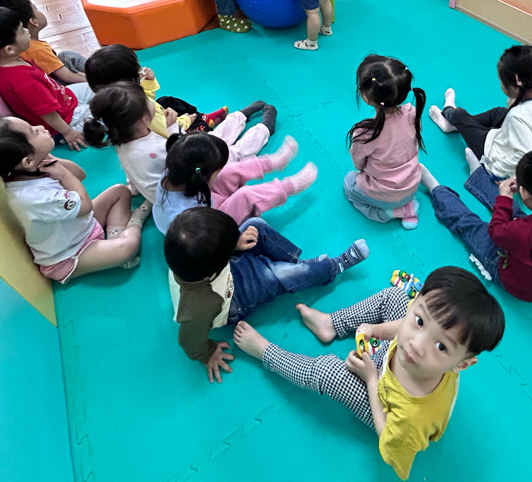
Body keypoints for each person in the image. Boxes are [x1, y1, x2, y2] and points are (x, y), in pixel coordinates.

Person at [232, 266, 505, 480]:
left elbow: (388, 441)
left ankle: (265, 352)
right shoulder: (417, 342)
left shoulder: (414, 419)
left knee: (328, 371)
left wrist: (371, 379)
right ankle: (331, 323)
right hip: (390, 365)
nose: (416, 344)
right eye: (421, 320)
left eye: (441, 346)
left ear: (462, 365)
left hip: (386, 405)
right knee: (395, 296)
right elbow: (405, 326)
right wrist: (376, 330)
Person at [165, 207, 369, 383]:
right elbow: (188, 340)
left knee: (255, 226)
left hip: (223, 275)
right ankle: (333, 267)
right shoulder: (200, 306)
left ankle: (299, 265)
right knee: (275, 276)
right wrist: (207, 353)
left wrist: (235, 243)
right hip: (233, 300)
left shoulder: (186, 255)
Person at [0, 116, 149, 281]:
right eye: (34, 132)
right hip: (69, 254)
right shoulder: (33, 197)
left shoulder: (31, 168)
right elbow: (85, 207)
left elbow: (79, 175)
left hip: (82, 226)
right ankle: (135, 221)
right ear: (27, 161)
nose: (40, 127)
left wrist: (54, 162)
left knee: (120, 191)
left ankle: (114, 235)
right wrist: (62, 174)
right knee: (126, 249)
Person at [420, 146, 532, 302]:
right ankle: (478, 177)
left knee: (471, 225)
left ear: (525, 194)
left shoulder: (522, 233)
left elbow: (495, 232)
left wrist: (504, 198)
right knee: (512, 209)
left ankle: (437, 191)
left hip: (514, 279)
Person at [429, 44, 532, 209]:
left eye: (501, 81)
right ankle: (458, 126)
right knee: (498, 113)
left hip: (494, 155)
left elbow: (523, 155)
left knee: (459, 115)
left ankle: (448, 115)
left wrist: (500, 174)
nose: (500, 84)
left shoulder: (518, 116)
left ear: (515, 86)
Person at [83, 85, 276, 204]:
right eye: (148, 102)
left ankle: (239, 116)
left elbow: (135, 172)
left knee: (213, 138)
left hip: (175, 173)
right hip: (189, 190)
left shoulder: (123, 144)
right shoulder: (151, 151)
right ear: (144, 119)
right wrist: (173, 127)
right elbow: (184, 156)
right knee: (231, 154)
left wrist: (137, 188)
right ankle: (264, 129)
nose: (153, 102)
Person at [0, 6, 93, 151]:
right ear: (9, 49)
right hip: (65, 120)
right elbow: (46, 113)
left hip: (64, 98)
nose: (27, 31)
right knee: (104, 113)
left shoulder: (11, 60)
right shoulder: (21, 80)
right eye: (22, 31)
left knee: (96, 87)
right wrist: (67, 132)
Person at [153, 132, 317, 234]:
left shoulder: (178, 168)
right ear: (201, 178)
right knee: (245, 195)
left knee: (228, 171)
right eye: (215, 172)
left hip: (203, 202)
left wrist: (217, 173)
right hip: (209, 226)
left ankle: (272, 163)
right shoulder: (186, 216)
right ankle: (288, 187)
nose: (218, 173)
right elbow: (207, 238)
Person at [83, 43, 236, 138]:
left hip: (154, 122)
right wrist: (186, 120)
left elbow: (146, 96)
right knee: (195, 135)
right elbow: (163, 129)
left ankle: (201, 117)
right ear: (130, 81)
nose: (141, 70)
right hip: (164, 135)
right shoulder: (142, 116)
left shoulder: (116, 100)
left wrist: (149, 81)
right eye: (137, 69)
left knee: (165, 101)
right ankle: (202, 124)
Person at [343, 55, 426, 229]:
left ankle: (389, 213)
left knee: (349, 183)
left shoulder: (366, 132)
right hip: (411, 186)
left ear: (365, 97)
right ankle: (408, 206)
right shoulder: (411, 112)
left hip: (384, 196)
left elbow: (359, 164)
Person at [0, 0, 88, 85]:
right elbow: (67, 76)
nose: (39, 11)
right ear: (33, 22)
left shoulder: (20, 46)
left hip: (50, 79)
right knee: (68, 57)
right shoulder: (36, 49)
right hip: (57, 86)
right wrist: (91, 82)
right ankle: (97, 76)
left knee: (66, 56)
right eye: (37, 9)